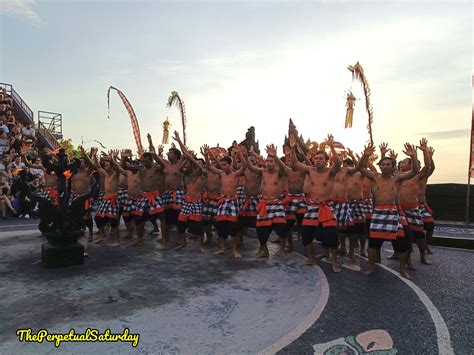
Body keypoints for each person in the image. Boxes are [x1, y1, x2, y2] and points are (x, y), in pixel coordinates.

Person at [357, 143, 420, 279]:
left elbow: (415, 171)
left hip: (392, 213)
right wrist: (365, 155)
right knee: (373, 243)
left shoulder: (398, 179)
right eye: (383, 164)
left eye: (388, 164)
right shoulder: (374, 177)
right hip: (378, 213)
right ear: (380, 166)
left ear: (393, 167)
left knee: (401, 243)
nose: (385, 166)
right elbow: (360, 168)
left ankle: (403, 270)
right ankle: (371, 267)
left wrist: (413, 157)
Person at [291, 134, 342, 273]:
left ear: (326, 161)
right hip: (312, 207)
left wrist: (331, 146)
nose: (317, 161)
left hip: (326, 207)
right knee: (306, 235)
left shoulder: (330, 172)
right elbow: (295, 163)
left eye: (320, 159)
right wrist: (293, 148)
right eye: (316, 158)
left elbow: (338, 164)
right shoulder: (310, 170)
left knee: (331, 236)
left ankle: (334, 261)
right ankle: (311, 258)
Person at [242, 144, 289, 258]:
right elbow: (251, 167)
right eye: (267, 161)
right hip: (264, 204)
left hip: (277, 204)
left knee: (281, 228)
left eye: (271, 161)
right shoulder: (263, 172)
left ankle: (283, 249)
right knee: (261, 229)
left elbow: (284, 167)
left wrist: (276, 156)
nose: (268, 163)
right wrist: (243, 155)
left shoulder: (280, 172)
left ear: (276, 163)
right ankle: (264, 250)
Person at [202, 144, 245, 258]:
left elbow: (244, 166)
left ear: (230, 165)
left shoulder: (235, 174)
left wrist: (240, 153)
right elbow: (209, 166)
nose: (222, 167)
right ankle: (223, 248)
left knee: (233, 226)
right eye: (221, 165)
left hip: (232, 201)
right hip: (222, 201)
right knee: (220, 225)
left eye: (224, 165)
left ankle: (235, 250)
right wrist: (206, 155)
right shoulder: (221, 173)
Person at [397, 138, 432, 267]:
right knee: (404, 235)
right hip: (400, 210)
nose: (401, 165)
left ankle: (423, 255)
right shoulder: (396, 175)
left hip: (413, 209)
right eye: (400, 163)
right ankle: (407, 259)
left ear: (411, 165)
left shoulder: (417, 176)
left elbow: (428, 166)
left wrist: (424, 152)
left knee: (419, 234)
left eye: (404, 163)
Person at [173, 132, 206, 251]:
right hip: (186, 201)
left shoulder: (201, 174)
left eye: (194, 163)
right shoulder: (187, 174)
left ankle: (200, 246)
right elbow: (178, 170)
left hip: (196, 201)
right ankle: (183, 243)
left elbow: (200, 166)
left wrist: (190, 157)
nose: (193, 165)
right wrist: (179, 141)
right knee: (181, 224)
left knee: (198, 226)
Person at [151, 140, 186, 250]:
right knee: (165, 219)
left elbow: (185, 153)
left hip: (178, 192)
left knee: (179, 218)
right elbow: (155, 156)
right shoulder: (165, 164)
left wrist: (179, 139)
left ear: (176, 156)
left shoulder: (180, 163)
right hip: (167, 194)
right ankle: (165, 242)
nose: (168, 154)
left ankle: (181, 240)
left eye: (170, 152)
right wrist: (151, 143)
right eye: (168, 152)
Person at [93, 150, 124, 246]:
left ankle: (117, 240)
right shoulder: (105, 174)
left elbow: (119, 167)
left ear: (111, 167)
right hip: (105, 200)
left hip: (113, 199)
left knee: (113, 221)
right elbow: (97, 166)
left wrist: (113, 159)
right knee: (98, 219)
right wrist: (94, 156)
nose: (105, 167)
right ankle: (102, 235)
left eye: (107, 166)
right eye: (105, 166)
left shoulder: (116, 174)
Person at [121, 149, 148, 246]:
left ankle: (140, 238)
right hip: (129, 198)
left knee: (138, 218)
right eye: (131, 164)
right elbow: (122, 167)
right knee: (126, 216)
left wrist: (131, 165)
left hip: (139, 198)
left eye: (134, 164)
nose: (131, 166)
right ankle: (129, 233)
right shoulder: (128, 173)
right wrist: (124, 157)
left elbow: (142, 167)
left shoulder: (141, 172)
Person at [418, 146, 435, 254]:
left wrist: (429, 156)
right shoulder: (405, 176)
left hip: (421, 205)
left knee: (430, 225)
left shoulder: (423, 177)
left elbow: (431, 168)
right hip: (408, 205)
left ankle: (426, 245)